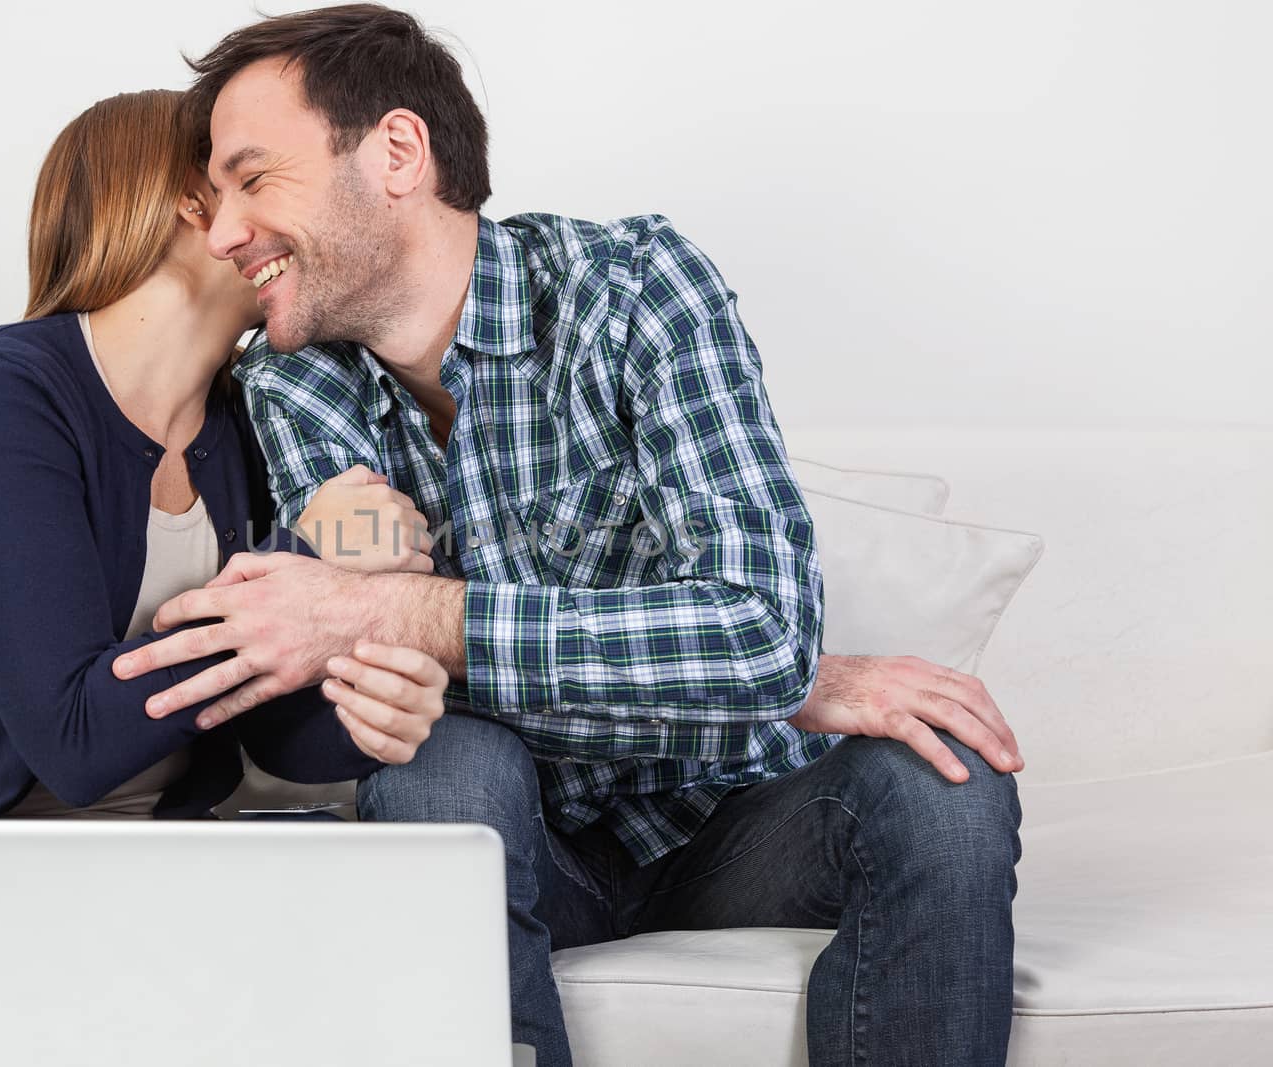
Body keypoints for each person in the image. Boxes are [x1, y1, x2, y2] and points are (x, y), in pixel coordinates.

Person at [113, 6, 1026, 1065]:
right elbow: (370, 650)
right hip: (520, 834)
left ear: (396, 152)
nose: (224, 234)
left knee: (947, 776)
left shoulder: (635, 291)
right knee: (440, 763)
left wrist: (393, 604)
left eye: (254, 179)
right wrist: (755, 665)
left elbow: (760, 629)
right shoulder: (292, 372)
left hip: (725, 812)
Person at [0, 88, 449, 1063]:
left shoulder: (237, 429)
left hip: (136, 889)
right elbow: (76, 737)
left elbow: (274, 735)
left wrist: (362, 656)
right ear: (192, 201)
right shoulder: (4, 391)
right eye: (259, 179)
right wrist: (304, 582)